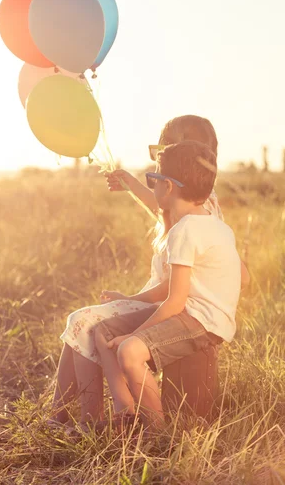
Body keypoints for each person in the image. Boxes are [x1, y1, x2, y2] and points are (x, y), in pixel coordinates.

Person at [50, 116, 248, 428]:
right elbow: (161, 207)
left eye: (161, 151)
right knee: (86, 324)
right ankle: (79, 417)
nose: (154, 162)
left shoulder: (199, 216)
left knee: (83, 322)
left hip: (176, 306)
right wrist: (131, 182)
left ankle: (90, 422)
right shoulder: (190, 203)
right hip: (167, 300)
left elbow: (181, 290)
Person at [94, 140, 242, 431]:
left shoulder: (185, 230)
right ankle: (127, 411)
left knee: (129, 351)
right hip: (190, 310)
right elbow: (169, 289)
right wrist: (129, 299)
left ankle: (157, 431)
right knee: (104, 329)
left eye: (154, 178)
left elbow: (175, 302)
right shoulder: (206, 223)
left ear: (169, 187)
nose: (153, 185)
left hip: (204, 321)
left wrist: (133, 335)